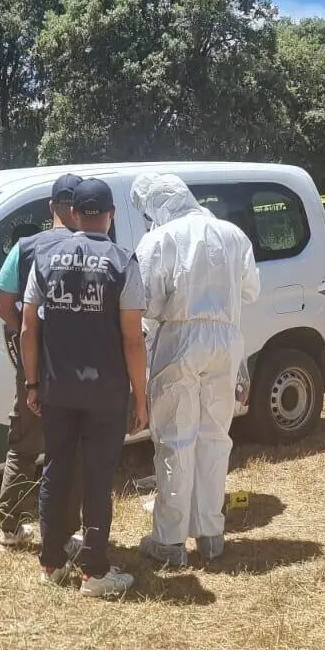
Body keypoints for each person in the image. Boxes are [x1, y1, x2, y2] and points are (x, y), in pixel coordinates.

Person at [21, 178, 149, 597]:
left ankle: (51, 561)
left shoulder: (44, 258)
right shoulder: (123, 262)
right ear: (111, 214)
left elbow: (28, 328)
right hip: (105, 392)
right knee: (97, 476)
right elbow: (133, 339)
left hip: (57, 388)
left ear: (73, 213)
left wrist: (32, 383)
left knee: (56, 470)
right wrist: (141, 397)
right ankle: (94, 572)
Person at [129, 172, 261, 566]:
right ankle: (210, 535)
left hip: (180, 338)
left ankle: (169, 542)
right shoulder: (233, 235)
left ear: (156, 205)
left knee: (176, 439)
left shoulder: (160, 239)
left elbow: (145, 302)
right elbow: (251, 291)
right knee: (215, 438)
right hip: (227, 340)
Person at [0, 174, 82, 551]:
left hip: (34, 364)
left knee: (24, 444)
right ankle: (65, 532)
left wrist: (31, 334)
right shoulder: (93, 248)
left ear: (50, 207)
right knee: (70, 448)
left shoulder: (24, 248)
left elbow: (2, 306)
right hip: (78, 365)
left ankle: (9, 529)